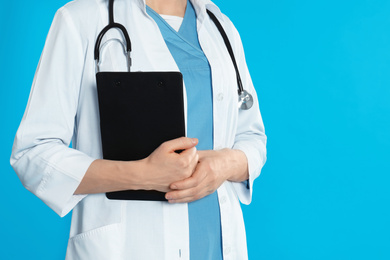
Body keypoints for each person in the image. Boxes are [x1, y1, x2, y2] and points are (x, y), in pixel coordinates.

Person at [10, 0, 267, 259]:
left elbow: (252, 137)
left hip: (217, 245)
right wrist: (141, 174)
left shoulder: (219, 27)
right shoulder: (81, 19)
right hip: (131, 246)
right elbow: (33, 152)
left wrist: (225, 165)